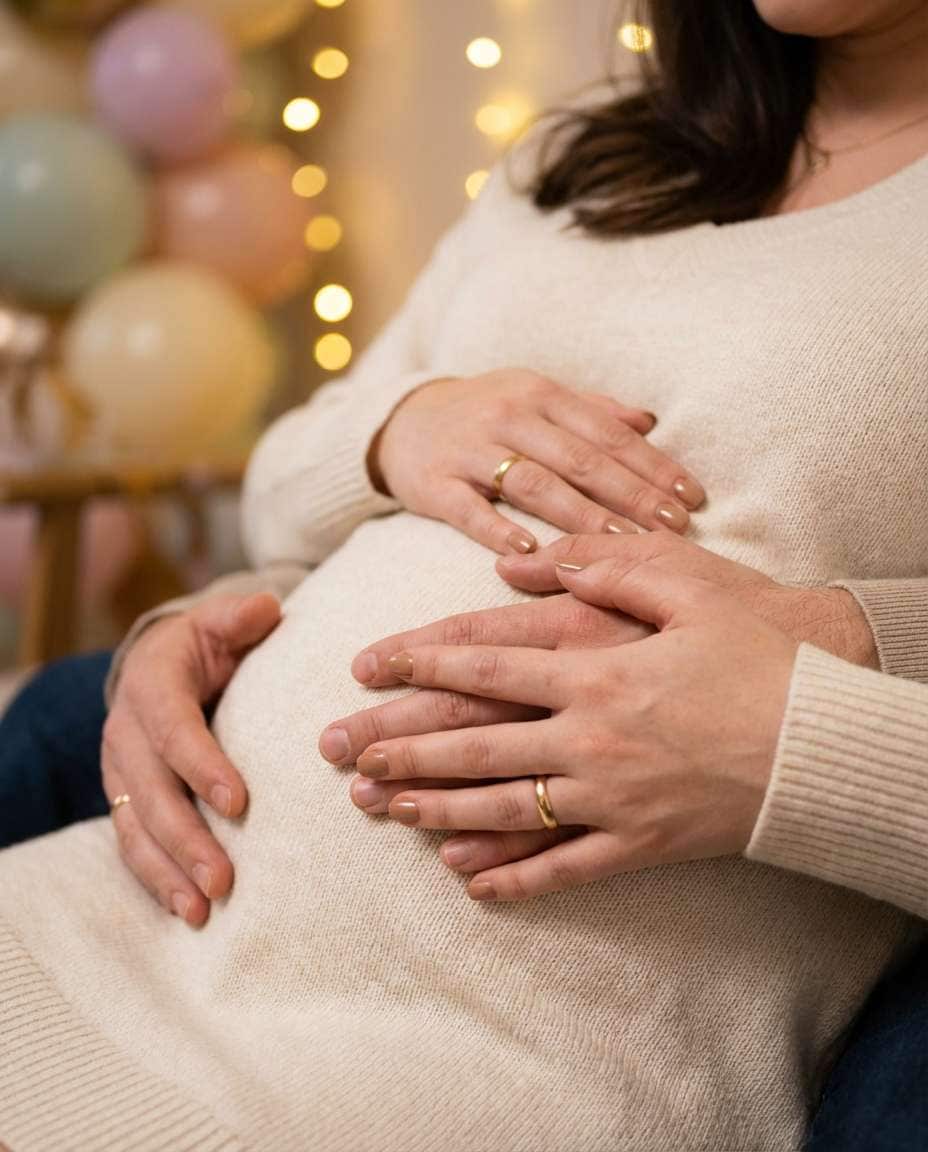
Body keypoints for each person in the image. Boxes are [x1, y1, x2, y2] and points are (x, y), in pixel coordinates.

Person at [1, 0, 927, 1148]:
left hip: (495, 1060)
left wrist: (847, 644)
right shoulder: (580, 155)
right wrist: (390, 434)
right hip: (124, 919)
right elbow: (278, 494)